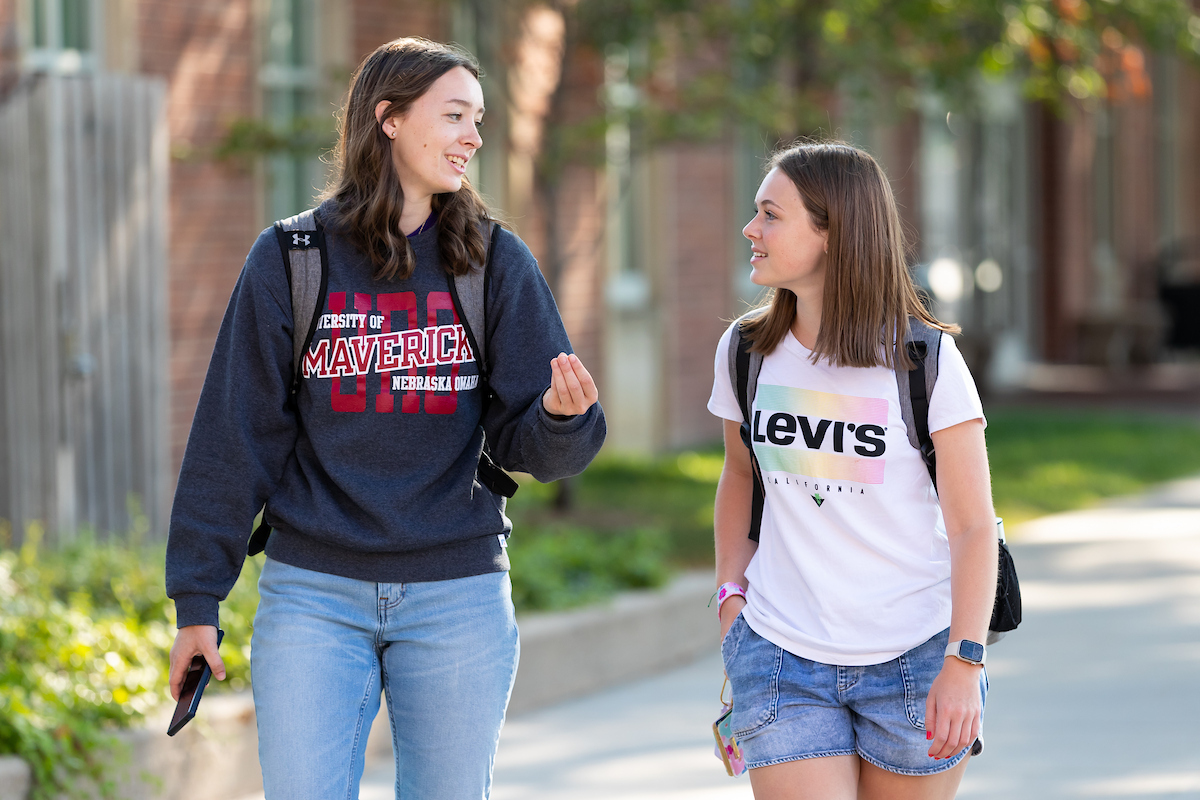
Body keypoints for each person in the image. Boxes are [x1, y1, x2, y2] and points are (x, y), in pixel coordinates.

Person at [165, 37, 605, 800]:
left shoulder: (493, 263)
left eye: (480, 119)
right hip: (313, 593)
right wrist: (197, 599)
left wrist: (565, 422)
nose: (474, 136)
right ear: (390, 119)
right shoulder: (291, 260)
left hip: (456, 592)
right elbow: (234, 436)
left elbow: (535, 446)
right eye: (456, 115)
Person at [709, 141, 996, 800]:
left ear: (832, 231)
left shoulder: (925, 362)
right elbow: (739, 474)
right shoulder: (746, 351)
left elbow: (974, 528)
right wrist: (730, 596)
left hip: (917, 658)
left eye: (770, 215)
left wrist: (964, 660)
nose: (751, 230)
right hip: (783, 654)